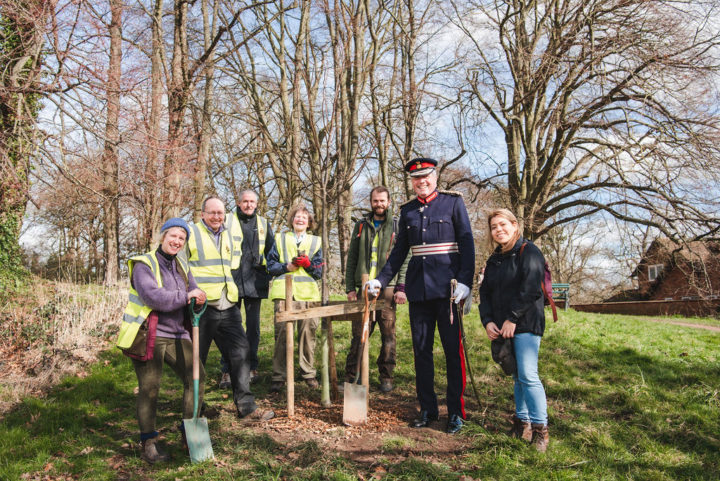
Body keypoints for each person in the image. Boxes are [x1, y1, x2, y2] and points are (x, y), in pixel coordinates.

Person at [366, 158, 475, 434]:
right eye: (416, 179)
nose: (421, 182)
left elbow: (467, 244)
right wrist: (380, 280)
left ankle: (455, 412)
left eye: (426, 176)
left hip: (449, 292)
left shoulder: (453, 203)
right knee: (421, 353)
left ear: (435, 177)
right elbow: (399, 253)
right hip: (419, 292)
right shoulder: (408, 211)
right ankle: (427, 409)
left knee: (453, 353)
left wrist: (465, 282)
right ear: (412, 182)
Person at [116, 218, 207, 464]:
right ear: (163, 236)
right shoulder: (143, 264)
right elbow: (153, 297)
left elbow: (194, 291)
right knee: (150, 388)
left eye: (182, 238)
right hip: (150, 335)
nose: (177, 241)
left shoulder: (182, 265)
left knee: (197, 378)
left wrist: (199, 297)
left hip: (178, 333)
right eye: (173, 236)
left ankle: (190, 434)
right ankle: (149, 443)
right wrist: (185, 295)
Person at [184, 196, 274, 421]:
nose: (216, 217)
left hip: (228, 304)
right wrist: (191, 292)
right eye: (211, 212)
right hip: (202, 308)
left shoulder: (228, 235)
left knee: (241, 353)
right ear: (202, 214)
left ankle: (247, 407)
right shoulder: (191, 233)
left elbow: (233, 266)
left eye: (220, 213)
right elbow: (181, 267)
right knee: (197, 359)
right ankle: (196, 408)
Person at [479, 208, 550, 452]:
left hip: (527, 323)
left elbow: (531, 289)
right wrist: (487, 320)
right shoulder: (494, 259)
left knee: (529, 375)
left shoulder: (529, 251)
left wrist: (512, 318)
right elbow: (485, 292)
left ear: (514, 225)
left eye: (502, 224)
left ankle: (541, 431)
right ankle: (522, 423)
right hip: (502, 326)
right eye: (494, 227)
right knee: (517, 376)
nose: (498, 230)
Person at [343, 186, 408, 393]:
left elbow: (406, 257)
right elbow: (352, 257)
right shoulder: (361, 225)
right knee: (359, 335)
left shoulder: (397, 225)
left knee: (388, 334)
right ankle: (351, 377)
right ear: (370, 202)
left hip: (387, 288)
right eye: (375, 201)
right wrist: (350, 288)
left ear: (389, 202)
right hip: (363, 288)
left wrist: (401, 287)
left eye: (382, 201)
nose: (378, 204)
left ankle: (386, 377)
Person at [217, 189, 275, 388]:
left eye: (252, 201)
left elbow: (272, 252)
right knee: (228, 329)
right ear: (239, 202)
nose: (249, 205)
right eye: (245, 201)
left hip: (255, 283)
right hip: (231, 282)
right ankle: (227, 371)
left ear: (257, 203)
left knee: (253, 330)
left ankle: (251, 367)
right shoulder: (227, 220)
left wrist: (273, 270)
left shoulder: (264, 224)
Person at [266, 204, 323, 393]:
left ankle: (308, 373)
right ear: (292, 220)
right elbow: (270, 265)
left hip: (308, 295)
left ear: (309, 223)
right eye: (297, 217)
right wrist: (286, 267)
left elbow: (319, 272)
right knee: (282, 334)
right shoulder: (280, 238)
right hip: (284, 295)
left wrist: (308, 265)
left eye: (304, 218)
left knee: (308, 335)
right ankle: (279, 375)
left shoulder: (316, 242)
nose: (300, 220)